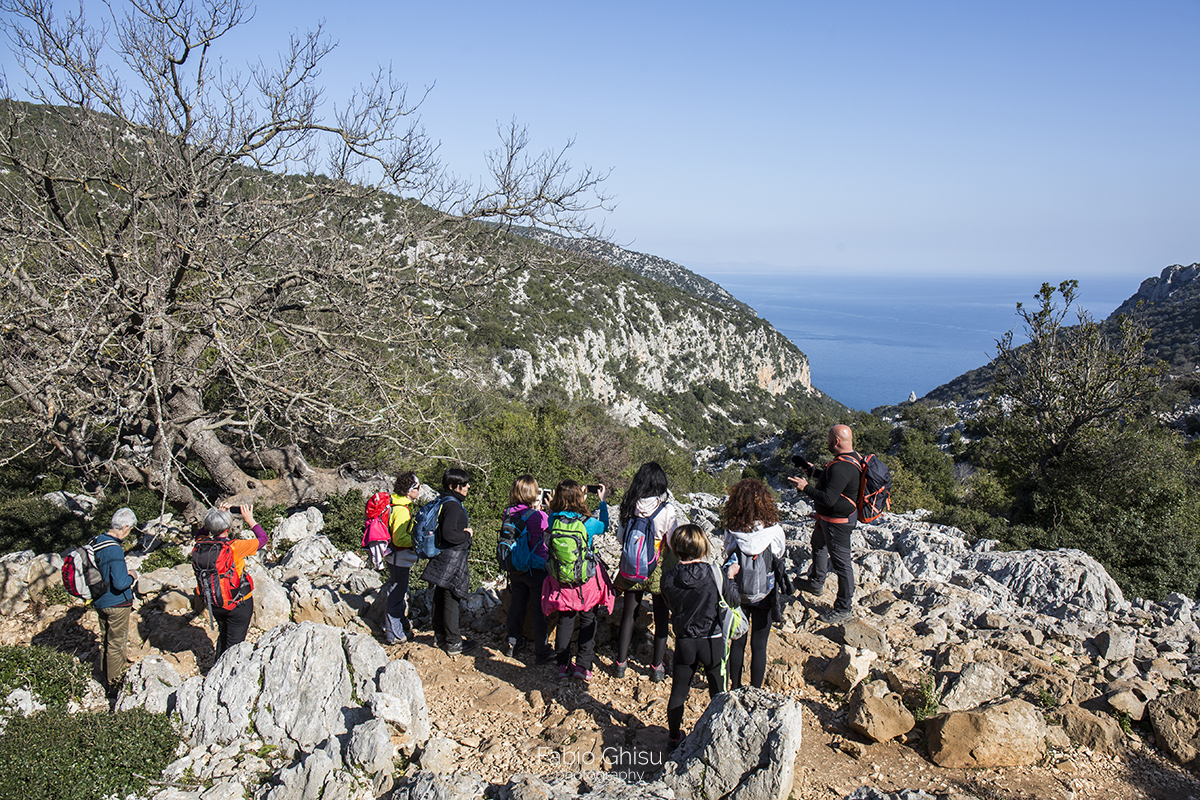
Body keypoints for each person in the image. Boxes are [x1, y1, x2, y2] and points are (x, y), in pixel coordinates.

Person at [661, 523, 739, 750]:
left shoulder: (667, 579)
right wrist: (731, 578)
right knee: (718, 691)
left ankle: (674, 738)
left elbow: (670, 605)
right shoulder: (714, 573)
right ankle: (718, 736)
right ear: (702, 545)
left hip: (685, 639)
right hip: (712, 639)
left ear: (676, 548)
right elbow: (733, 600)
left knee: (678, 692)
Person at [541, 480, 614, 681]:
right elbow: (604, 526)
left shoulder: (553, 519)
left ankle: (562, 665)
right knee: (588, 619)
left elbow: (552, 516)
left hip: (562, 580)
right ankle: (583, 666)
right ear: (579, 498)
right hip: (585, 581)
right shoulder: (587, 522)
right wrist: (602, 502)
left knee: (565, 619)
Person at [788, 424, 860, 624]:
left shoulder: (841, 466)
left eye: (829, 439)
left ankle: (844, 607)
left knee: (842, 565)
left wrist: (805, 488)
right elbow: (835, 481)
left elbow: (828, 498)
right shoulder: (850, 459)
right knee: (818, 545)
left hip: (838, 523)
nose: (827, 442)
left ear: (836, 442)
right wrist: (811, 470)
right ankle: (816, 583)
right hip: (828, 520)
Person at [614, 461, 679, 681]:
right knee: (661, 616)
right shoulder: (666, 509)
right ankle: (656, 667)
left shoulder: (630, 504)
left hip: (632, 566)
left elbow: (620, 539)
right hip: (657, 568)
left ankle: (620, 664)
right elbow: (673, 540)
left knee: (628, 614)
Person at [722, 478, 787, 689]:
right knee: (759, 645)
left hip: (737, 592)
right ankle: (756, 689)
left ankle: (735, 686)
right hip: (764, 594)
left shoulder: (733, 529)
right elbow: (779, 552)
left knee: (737, 641)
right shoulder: (773, 530)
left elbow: (727, 551)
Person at [193, 504, 267, 660]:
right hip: (238, 603)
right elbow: (263, 538)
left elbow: (202, 531)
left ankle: (216, 668)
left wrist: (215, 515)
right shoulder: (235, 547)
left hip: (214, 602)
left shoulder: (201, 543)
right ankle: (226, 677)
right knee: (234, 645)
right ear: (228, 527)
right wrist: (250, 520)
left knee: (224, 635)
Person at [420, 468, 475, 656]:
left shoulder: (444, 502)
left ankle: (440, 636)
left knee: (440, 595)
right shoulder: (454, 506)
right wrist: (467, 534)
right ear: (453, 486)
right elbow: (450, 534)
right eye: (464, 484)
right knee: (451, 598)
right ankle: (454, 642)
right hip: (452, 558)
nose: (468, 486)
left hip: (441, 556)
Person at [501, 475, 553, 663]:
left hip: (515, 567)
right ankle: (542, 650)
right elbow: (550, 532)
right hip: (537, 568)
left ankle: (513, 642)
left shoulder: (508, 513)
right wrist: (548, 510)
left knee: (517, 604)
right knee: (539, 610)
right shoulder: (540, 516)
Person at [92, 508, 139, 698]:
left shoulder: (97, 541)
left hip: (100, 599)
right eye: (131, 529)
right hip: (117, 603)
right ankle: (114, 685)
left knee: (105, 640)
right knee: (116, 643)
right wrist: (132, 577)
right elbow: (120, 583)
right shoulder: (114, 549)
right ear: (125, 527)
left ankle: (104, 677)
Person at [382, 471, 421, 645]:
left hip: (394, 556)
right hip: (400, 558)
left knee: (398, 589)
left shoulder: (397, 504)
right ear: (409, 490)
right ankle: (394, 633)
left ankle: (401, 625)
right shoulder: (402, 510)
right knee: (397, 593)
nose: (419, 491)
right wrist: (415, 541)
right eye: (417, 487)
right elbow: (399, 538)